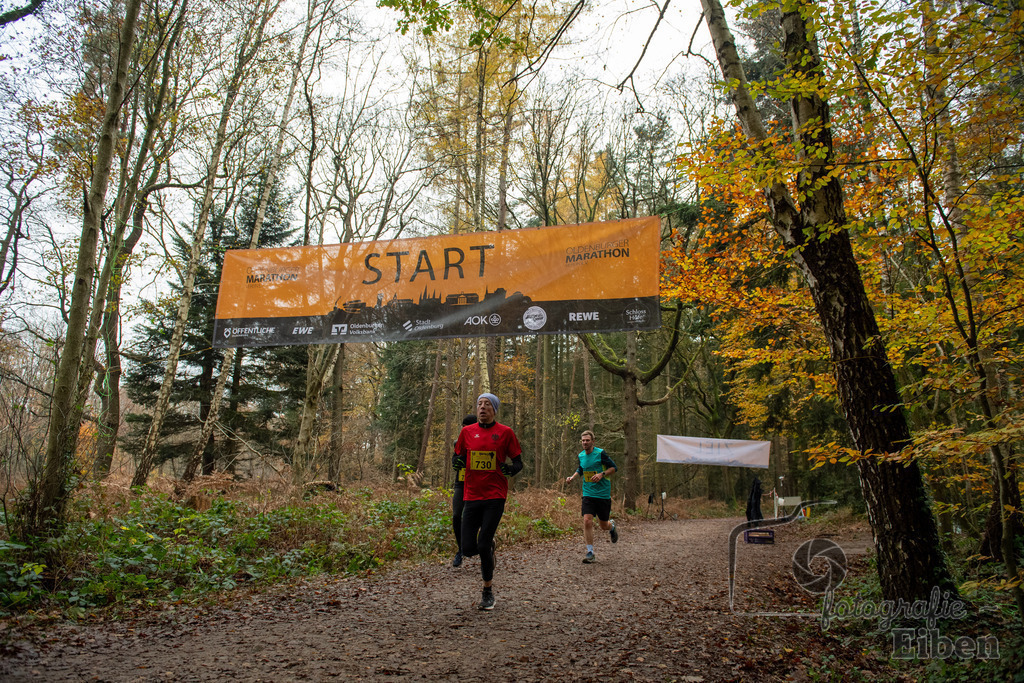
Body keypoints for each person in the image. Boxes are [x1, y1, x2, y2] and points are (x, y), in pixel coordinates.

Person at [453, 393, 523, 610]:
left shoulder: (505, 432)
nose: (482, 408)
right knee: (467, 548)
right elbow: (457, 458)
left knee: (482, 544)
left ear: (494, 409)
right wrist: (459, 463)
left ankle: (487, 592)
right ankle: (490, 546)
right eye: (479, 404)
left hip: (495, 495)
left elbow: (518, 463)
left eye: (486, 405)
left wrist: (509, 470)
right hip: (471, 495)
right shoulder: (466, 432)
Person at [565, 430, 619, 563]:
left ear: (593, 441)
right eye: (583, 440)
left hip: (602, 494)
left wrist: (602, 474)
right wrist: (572, 477)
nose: (585, 442)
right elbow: (581, 468)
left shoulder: (601, 454)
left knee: (603, 525)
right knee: (587, 520)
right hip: (588, 493)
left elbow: (614, 468)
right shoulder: (581, 455)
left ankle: (611, 527)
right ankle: (590, 552)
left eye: (587, 440)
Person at [450, 414, 477, 568]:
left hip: (478, 484)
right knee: (456, 515)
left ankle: (483, 546)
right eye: (463, 427)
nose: (465, 429)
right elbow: (454, 460)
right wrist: (456, 462)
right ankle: (460, 549)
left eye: (468, 427)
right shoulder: (458, 443)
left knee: (475, 518)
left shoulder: (483, 440)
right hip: (461, 483)